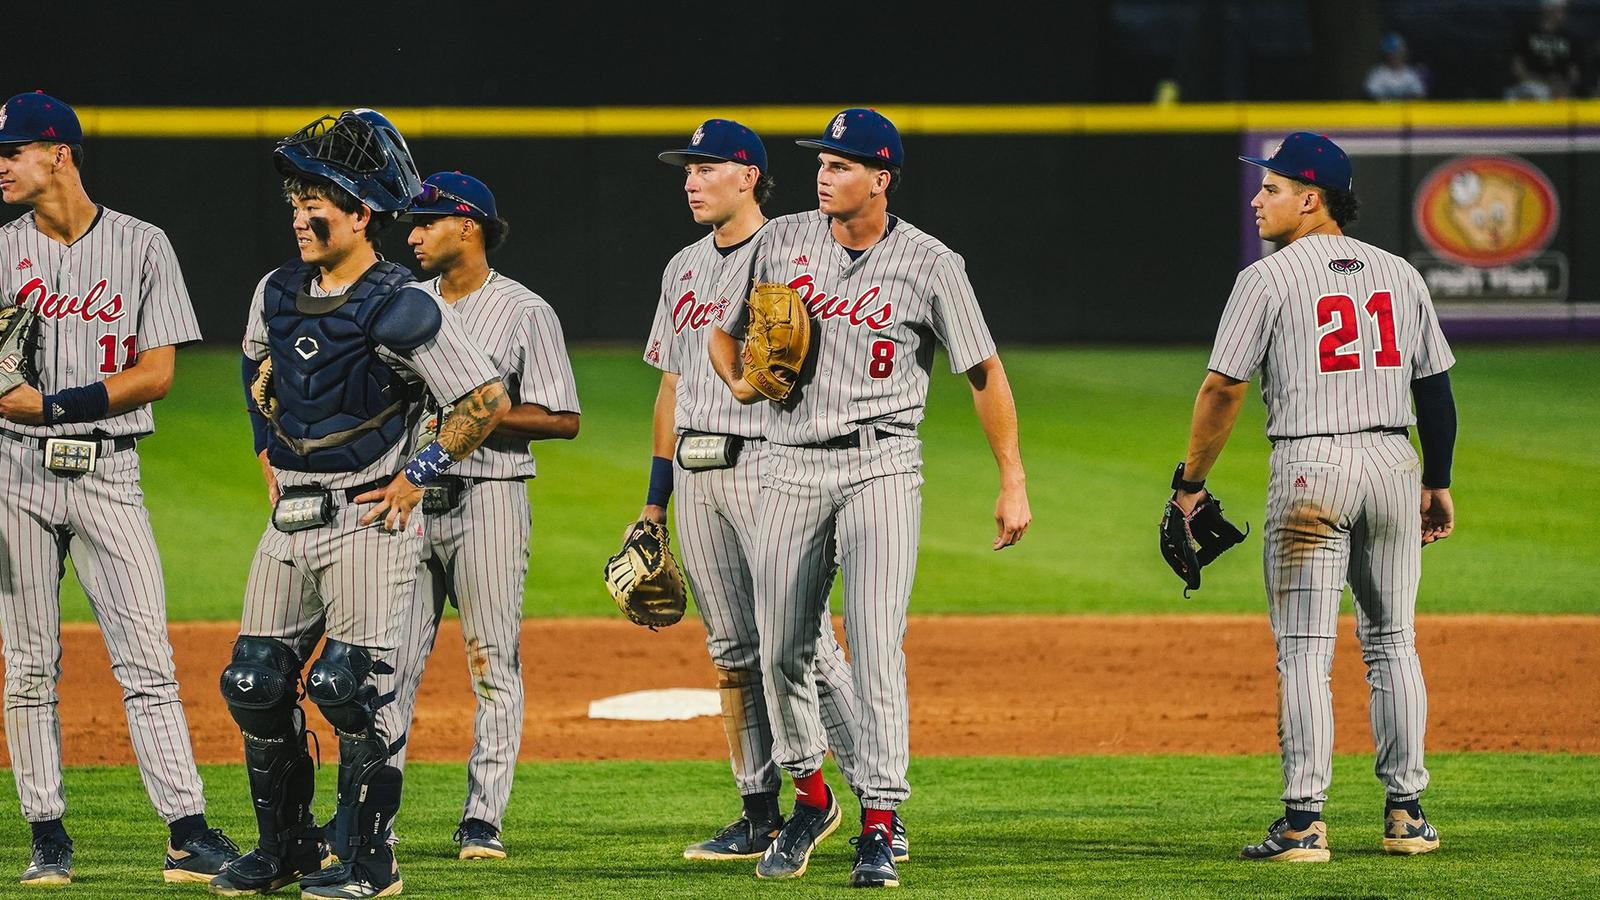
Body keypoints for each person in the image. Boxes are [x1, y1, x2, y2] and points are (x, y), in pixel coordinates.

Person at [709, 108, 1031, 888]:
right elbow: (720, 334)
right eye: (822, 161)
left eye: (843, 163)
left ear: (881, 178)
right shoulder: (780, 241)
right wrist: (743, 380)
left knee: (877, 644)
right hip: (789, 463)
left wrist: (1012, 477)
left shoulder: (932, 263)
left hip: (884, 465)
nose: (825, 173)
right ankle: (812, 798)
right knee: (782, 647)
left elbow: (983, 371)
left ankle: (881, 824)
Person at [210, 109, 509, 899]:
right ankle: (286, 851)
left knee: (349, 688)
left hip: (368, 520)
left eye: (318, 205)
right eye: (295, 203)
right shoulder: (275, 289)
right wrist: (264, 447)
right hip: (292, 516)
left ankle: (372, 863)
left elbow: (482, 398)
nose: (301, 217)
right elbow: (254, 365)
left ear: (360, 215)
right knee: (254, 682)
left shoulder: (401, 301)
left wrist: (418, 474)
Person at [1175, 131, 1456, 862]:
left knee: (1303, 650)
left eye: (1269, 187)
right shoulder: (1400, 274)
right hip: (1396, 462)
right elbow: (1436, 389)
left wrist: (1190, 484)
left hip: (1311, 469)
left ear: (1310, 198)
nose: (1256, 198)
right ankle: (1407, 815)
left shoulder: (1266, 279)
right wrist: (1438, 479)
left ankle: (1304, 824)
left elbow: (1223, 388)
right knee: (1393, 641)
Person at [0, 90, 241, 887]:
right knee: (29, 664)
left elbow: (160, 373)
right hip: (14, 473)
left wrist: (57, 403)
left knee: (146, 659)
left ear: (59, 153)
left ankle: (187, 834)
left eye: (14, 151)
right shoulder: (1, 252)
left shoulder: (142, 245)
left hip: (108, 470)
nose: (1, 165)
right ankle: (47, 837)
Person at [641, 119, 893, 864]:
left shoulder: (796, 248)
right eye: (686, 170)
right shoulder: (682, 268)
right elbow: (673, 384)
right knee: (732, 650)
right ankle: (759, 810)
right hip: (696, 472)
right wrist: (655, 500)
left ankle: (881, 806)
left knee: (807, 646)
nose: (690, 180)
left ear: (748, 174)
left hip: (769, 462)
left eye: (705, 167)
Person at [384, 171, 581, 860]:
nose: (411, 235)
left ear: (467, 227)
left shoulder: (526, 311)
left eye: (425, 223)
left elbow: (563, 419)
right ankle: (376, 815)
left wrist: (480, 415)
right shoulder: (404, 304)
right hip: (407, 504)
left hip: (491, 500)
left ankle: (481, 820)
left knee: (493, 663)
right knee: (389, 668)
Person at [1506, 0, 1581, 100]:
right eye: (1560, 9)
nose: (1563, 13)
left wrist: (1564, 85)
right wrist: (1542, 82)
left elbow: (1574, 72)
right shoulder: (1526, 34)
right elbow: (1517, 68)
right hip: (1530, 86)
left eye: (1563, 10)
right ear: (1547, 9)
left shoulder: (1570, 38)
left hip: (1560, 90)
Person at [1364, 33, 1427, 101]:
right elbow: (1370, 96)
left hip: (1406, 110)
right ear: (1386, 55)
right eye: (1391, 54)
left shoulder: (1411, 73)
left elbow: (1420, 95)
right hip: (1383, 110)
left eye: (1398, 52)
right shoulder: (1377, 73)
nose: (1395, 56)